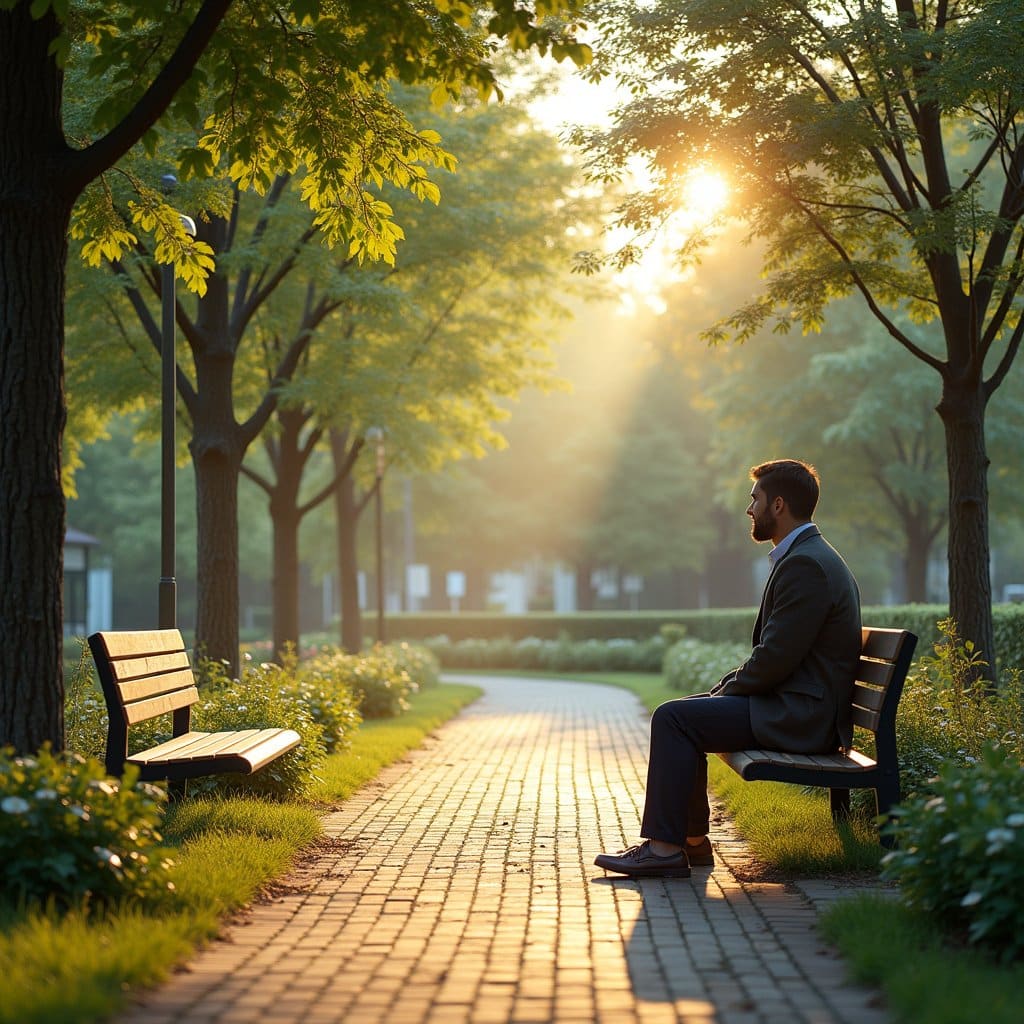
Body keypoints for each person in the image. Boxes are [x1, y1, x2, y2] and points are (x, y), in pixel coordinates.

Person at [595, 459, 862, 878]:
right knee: (684, 713)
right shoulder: (807, 557)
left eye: (754, 498)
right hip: (798, 706)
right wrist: (724, 690)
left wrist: (726, 691)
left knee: (674, 718)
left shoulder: (806, 564)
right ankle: (690, 843)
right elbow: (777, 657)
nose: (748, 509)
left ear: (778, 505)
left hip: (801, 717)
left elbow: (775, 659)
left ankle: (666, 849)